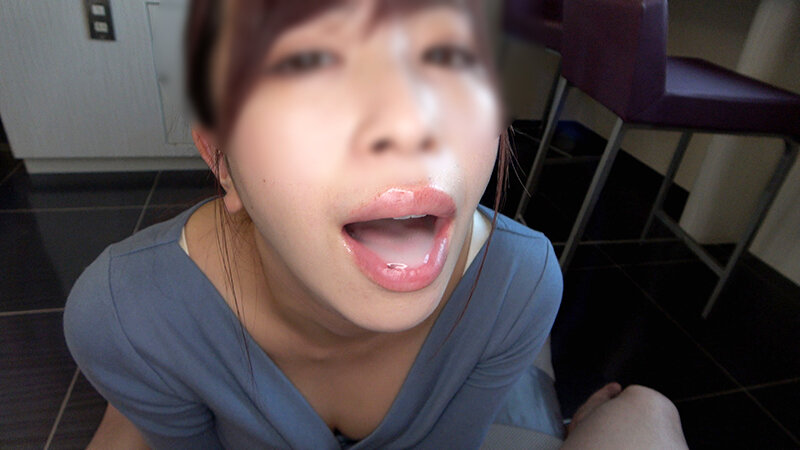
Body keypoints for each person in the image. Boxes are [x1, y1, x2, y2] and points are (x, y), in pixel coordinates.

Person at [63, 0, 689, 448]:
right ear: (220, 158)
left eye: (450, 55)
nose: (413, 123)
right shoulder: (126, 319)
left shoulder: (521, 282)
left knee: (645, 412)